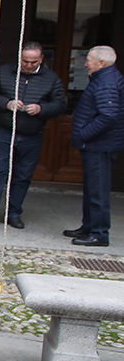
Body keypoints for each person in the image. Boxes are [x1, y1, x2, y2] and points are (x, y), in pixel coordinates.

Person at [0, 42, 66, 229]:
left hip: (32, 134)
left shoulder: (51, 78)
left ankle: (13, 213)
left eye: (34, 62)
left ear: (41, 59)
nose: (29, 65)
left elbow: (60, 104)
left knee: (22, 175)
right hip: (3, 130)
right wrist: (6, 103)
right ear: (20, 58)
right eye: (25, 61)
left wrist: (42, 109)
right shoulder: (3, 72)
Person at [64, 45, 121, 247]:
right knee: (91, 188)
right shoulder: (103, 78)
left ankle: (98, 233)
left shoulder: (106, 82)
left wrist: (84, 133)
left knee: (98, 190)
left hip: (99, 145)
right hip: (97, 144)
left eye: (89, 60)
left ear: (101, 63)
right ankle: (88, 226)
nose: (86, 63)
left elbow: (109, 116)